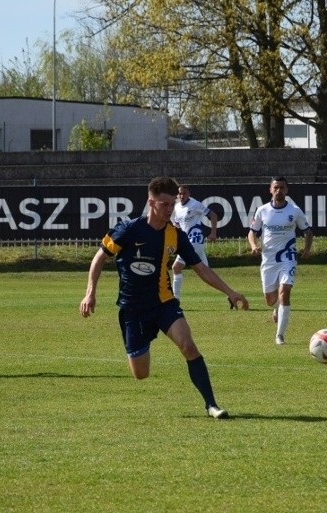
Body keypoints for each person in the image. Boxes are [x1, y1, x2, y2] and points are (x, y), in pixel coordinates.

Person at [79, 176, 249, 419]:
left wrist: (230, 292)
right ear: (151, 202)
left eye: (172, 204)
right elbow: (99, 258)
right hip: (133, 309)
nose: (170, 209)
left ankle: (211, 404)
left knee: (189, 347)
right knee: (141, 373)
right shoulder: (128, 229)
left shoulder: (176, 236)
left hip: (164, 303)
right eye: (164, 204)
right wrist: (90, 293)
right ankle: (143, 341)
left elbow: (201, 269)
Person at [247, 176, 313, 345]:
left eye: (282, 188)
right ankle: (276, 309)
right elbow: (252, 232)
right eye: (276, 187)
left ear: (287, 190)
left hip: (288, 257)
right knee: (270, 300)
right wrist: (254, 245)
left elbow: (308, 232)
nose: (279, 191)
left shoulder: (294, 211)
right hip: (268, 259)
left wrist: (306, 249)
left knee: (285, 291)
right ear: (271, 190)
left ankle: (280, 335)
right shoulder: (262, 210)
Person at [171, 184, 218, 299]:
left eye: (184, 193)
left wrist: (213, 233)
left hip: (196, 240)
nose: (182, 196)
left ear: (189, 194)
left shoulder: (194, 204)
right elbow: (177, 224)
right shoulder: (177, 207)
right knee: (206, 274)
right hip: (189, 241)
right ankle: (230, 294)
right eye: (180, 193)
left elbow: (213, 215)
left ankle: (174, 300)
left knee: (176, 267)